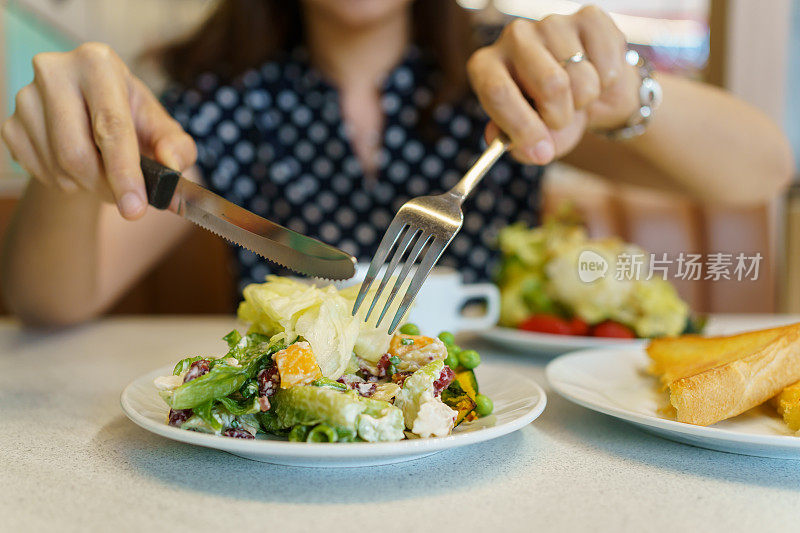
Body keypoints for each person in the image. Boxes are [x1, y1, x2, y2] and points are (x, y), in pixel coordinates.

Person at [0, 0, 792, 326]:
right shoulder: (230, 100)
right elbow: (50, 302)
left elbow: (763, 171)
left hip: (499, 426)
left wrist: (620, 98)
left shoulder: (506, 79)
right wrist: (68, 165)